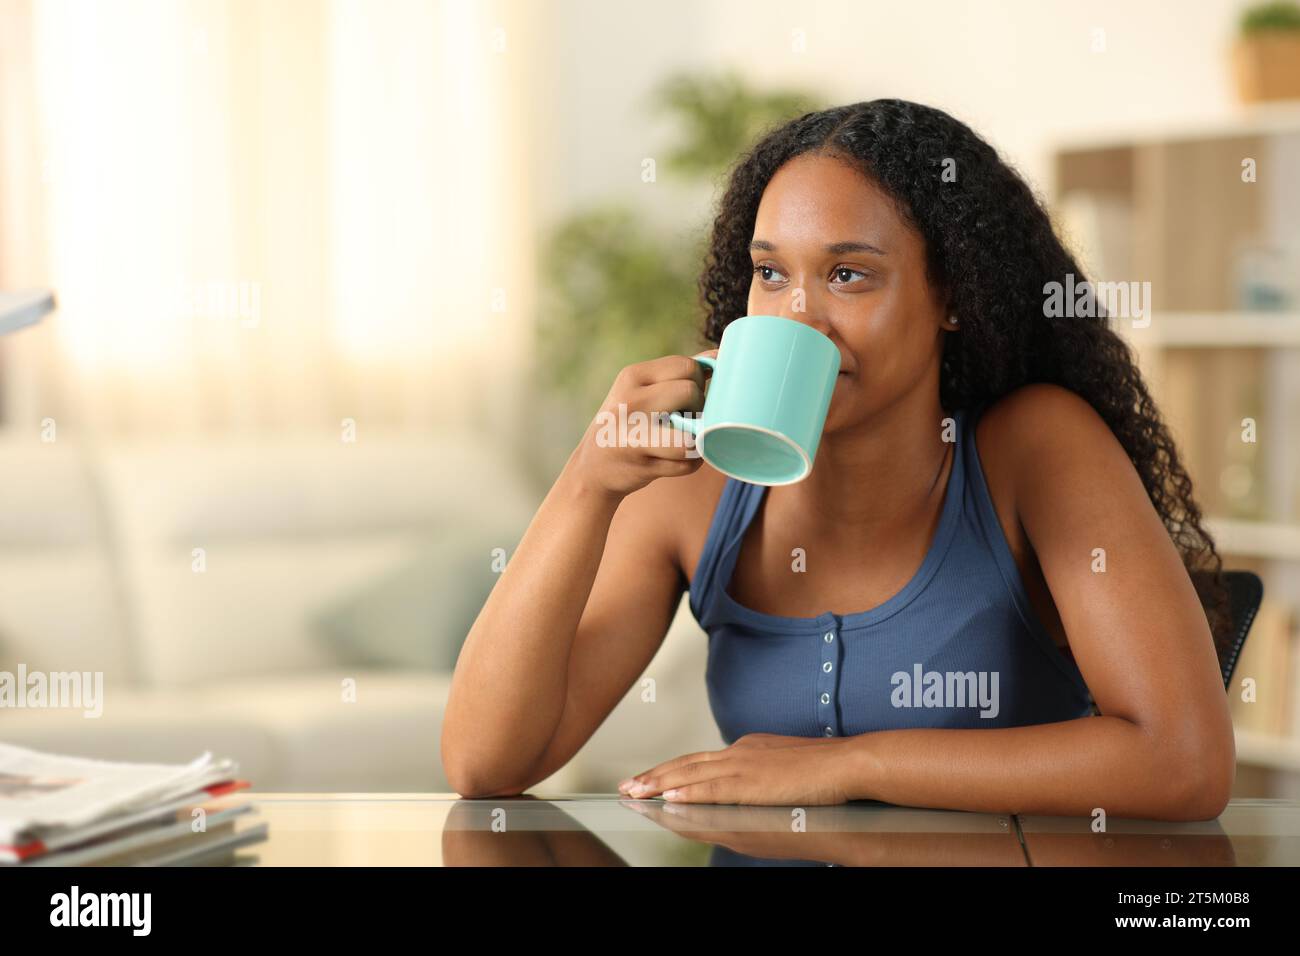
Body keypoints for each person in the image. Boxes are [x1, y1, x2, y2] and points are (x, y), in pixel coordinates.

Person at [441, 99, 1235, 821]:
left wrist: (847, 764)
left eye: (848, 275)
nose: (799, 319)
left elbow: (1183, 763)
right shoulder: (695, 484)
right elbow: (486, 765)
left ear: (954, 297)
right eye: (771, 273)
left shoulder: (1036, 449)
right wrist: (584, 487)